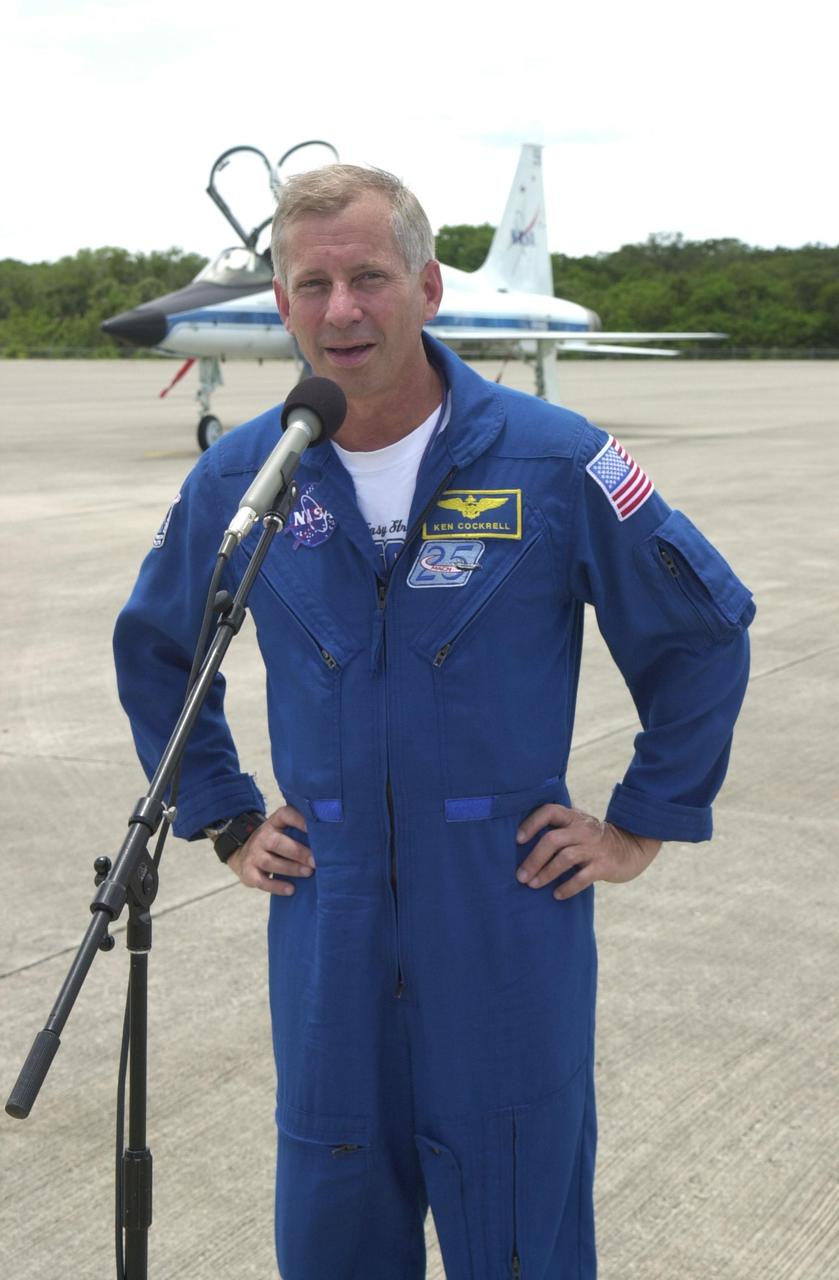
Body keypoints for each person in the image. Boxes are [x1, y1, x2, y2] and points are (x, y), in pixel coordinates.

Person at [113, 165, 754, 1280]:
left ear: (426, 284)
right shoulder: (246, 477)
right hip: (328, 926)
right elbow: (158, 646)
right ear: (281, 305)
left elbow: (699, 629)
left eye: (367, 277)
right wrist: (222, 813)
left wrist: (639, 822)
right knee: (333, 1223)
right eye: (311, 284)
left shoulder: (553, 460)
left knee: (520, 1227)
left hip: (505, 921)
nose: (340, 310)